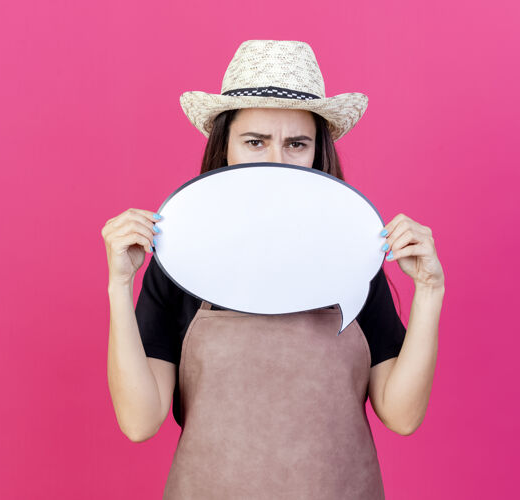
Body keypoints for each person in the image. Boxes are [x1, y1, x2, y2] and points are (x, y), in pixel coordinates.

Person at [102, 40, 445, 499]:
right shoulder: (180, 261)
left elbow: (401, 415)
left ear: (317, 154)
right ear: (225, 148)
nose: (276, 161)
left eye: (296, 144)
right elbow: (140, 421)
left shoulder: (355, 257)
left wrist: (428, 291)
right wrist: (119, 285)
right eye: (255, 141)